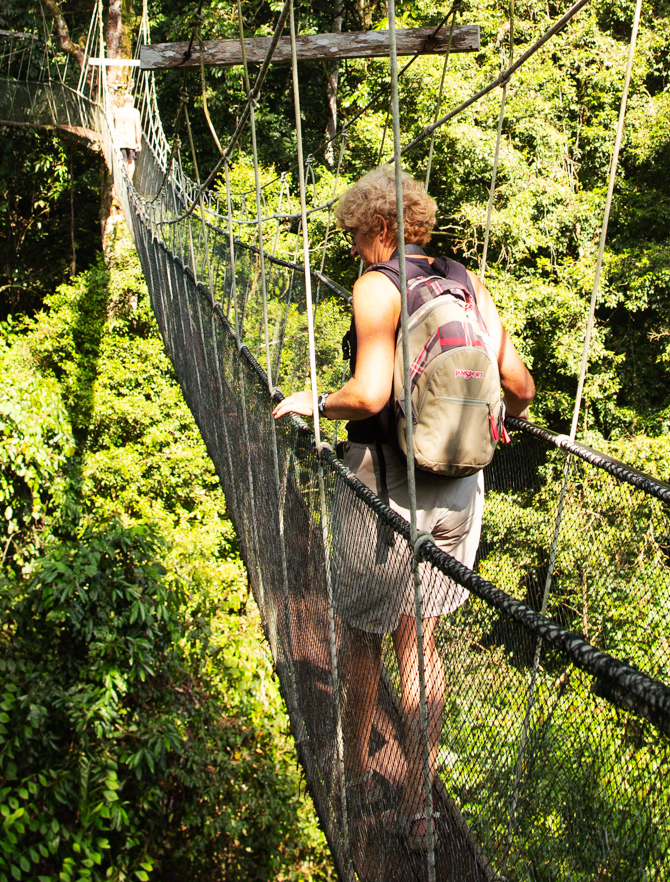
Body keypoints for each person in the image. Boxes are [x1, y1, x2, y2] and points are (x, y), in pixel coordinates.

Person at [273, 164, 533, 857]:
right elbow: (520, 384)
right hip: (461, 486)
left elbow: (366, 392)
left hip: (387, 484)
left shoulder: (376, 287)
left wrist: (313, 400)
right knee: (419, 640)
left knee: (361, 635)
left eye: (357, 233)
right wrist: (480, 421)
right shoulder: (465, 279)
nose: (354, 246)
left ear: (382, 227)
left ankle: (354, 775)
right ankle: (419, 801)